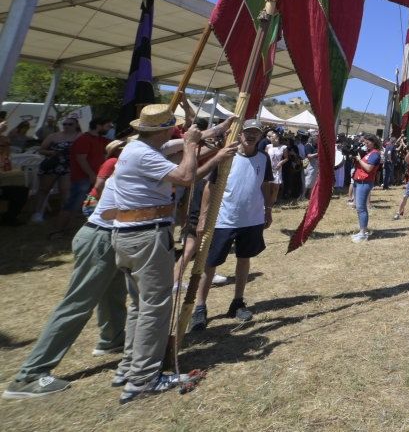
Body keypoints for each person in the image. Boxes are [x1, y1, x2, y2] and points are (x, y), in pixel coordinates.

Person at [3, 140, 129, 400]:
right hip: (101, 238)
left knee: (113, 292)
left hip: (109, 237)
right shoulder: (125, 163)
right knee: (77, 305)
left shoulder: (126, 161)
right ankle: (29, 375)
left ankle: (112, 339)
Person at [105, 106, 206, 403]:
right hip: (146, 234)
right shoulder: (145, 154)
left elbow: (171, 146)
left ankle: (130, 368)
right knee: (155, 306)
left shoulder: (138, 148)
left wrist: (208, 134)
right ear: (163, 129)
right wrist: (190, 144)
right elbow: (186, 177)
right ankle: (145, 378)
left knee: (139, 305)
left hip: (130, 233)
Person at [189, 121, 274, 332]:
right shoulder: (227, 155)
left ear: (261, 136)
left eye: (256, 133)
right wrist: (203, 217)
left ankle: (237, 302)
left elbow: (265, 184)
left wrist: (268, 210)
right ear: (240, 134)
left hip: (251, 219)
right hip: (224, 219)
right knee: (210, 263)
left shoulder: (264, 159)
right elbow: (211, 186)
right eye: (247, 132)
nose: (251, 136)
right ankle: (200, 307)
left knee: (244, 260)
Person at [29, 117, 81, 224]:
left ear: (76, 125)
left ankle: (64, 215)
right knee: (44, 189)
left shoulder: (81, 136)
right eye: (65, 124)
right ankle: (37, 213)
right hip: (52, 165)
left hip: (68, 166)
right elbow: (41, 150)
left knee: (65, 191)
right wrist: (51, 153)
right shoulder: (54, 136)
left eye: (70, 124)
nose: (66, 126)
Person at [67, 117, 112, 221]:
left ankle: (79, 224)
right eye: (108, 126)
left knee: (88, 205)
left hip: (92, 177)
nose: (109, 129)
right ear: (98, 126)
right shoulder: (84, 139)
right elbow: (81, 159)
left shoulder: (100, 139)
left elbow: (117, 142)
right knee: (74, 204)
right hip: (82, 178)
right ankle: (64, 228)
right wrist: (91, 174)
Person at [349, 135, 383, 242]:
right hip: (359, 181)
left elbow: (368, 168)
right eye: (365, 143)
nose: (366, 144)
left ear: (374, 142)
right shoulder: (369, 153)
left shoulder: (375, 154)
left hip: (365, 182)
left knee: (361, 208)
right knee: (359, 208)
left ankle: (363, 233)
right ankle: (362, 231)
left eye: (368, 143)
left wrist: (359, 160)